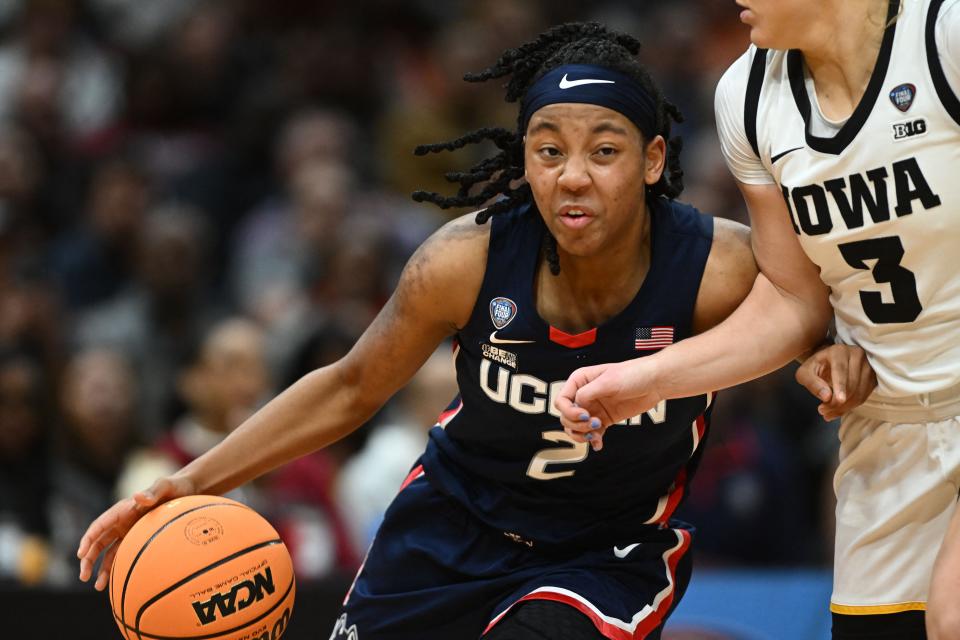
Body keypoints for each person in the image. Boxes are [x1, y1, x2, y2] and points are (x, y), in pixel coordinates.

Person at [80, 22, 760, 639]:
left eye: (604, 151)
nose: (572, 177)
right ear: (524, 160)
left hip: (603, 552)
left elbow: (813, 317)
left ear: (651, 159)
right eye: (548, 151)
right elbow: (350, 388)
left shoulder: (718, 268)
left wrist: (831, 359)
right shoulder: (464, 259)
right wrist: (186, 484)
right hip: (450, 527)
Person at [557, 2, 960, 638]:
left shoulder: (943, 35)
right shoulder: (749, 97)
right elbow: (792, 301)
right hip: (890, 431)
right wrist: (645, 380)